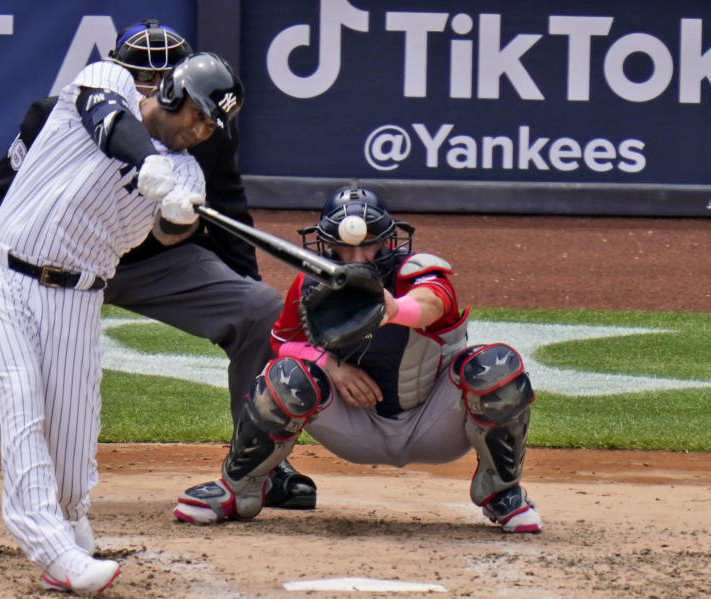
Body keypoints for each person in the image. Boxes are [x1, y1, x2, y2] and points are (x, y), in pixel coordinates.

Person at [0, 19, 316, 517]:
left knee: (259, 308)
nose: (149, 87)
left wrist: (236, 274)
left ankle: (260, 464)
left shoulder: (205, 137)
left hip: (154, 263)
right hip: (53, 257)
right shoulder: (60, 109)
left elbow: (230, 218)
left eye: (162, 76)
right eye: (140, 75)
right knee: (4, 315)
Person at [0, 50, 243, 594]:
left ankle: (66, 519)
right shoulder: (104, 79)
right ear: (170, 93)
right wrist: (147, 164)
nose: (203, 130)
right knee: (21, 402)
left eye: (213, 124)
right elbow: (107, 120)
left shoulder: (186, 171)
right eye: (200, 115)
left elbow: (162, 236)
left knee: (71, 440)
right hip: (0, 276)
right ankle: (50, 548)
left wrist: (178, 214)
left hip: (77, 300)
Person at [173, 185, 543, 534]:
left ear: (387, 240)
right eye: (343, 248)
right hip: (355, 427)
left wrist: (394, 308)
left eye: (368, 246)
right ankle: (240, 489)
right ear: (326, 244)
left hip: (435, 422)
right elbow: (282, 342)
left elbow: (433, 303)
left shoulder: (419, 271)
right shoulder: (311, 285)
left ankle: (501, 491)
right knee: (285, 376)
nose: (355, 258)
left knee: (495, 366)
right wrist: (331, 366)